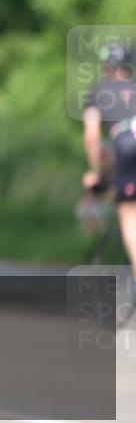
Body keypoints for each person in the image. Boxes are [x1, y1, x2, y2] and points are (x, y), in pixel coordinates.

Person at [82, 41, 136, 285]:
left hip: (125, 143)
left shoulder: (99, 91)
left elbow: (92, 137)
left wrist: (95, 173)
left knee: (129, 213)